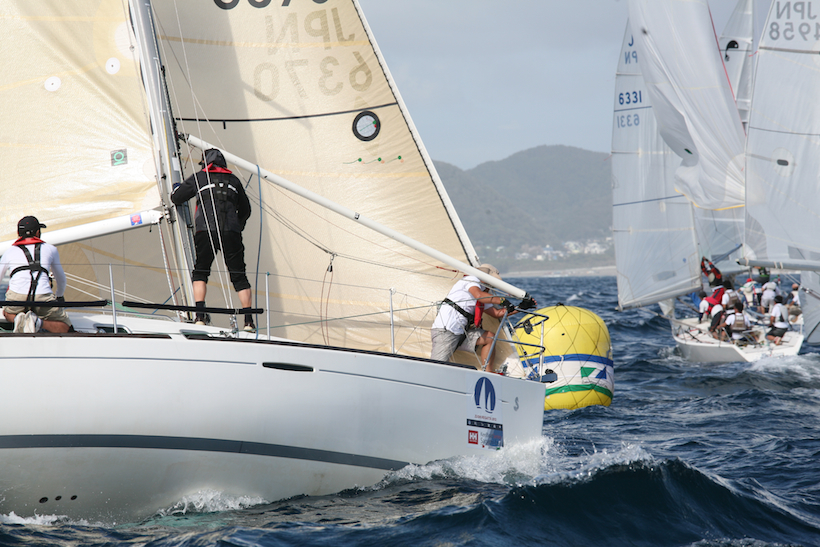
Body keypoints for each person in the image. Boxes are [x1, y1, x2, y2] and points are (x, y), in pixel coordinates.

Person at [171, 149, 254, 330]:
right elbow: (246, 210)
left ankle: (200, 316)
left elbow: (176, 198)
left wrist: (176, 187)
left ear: (205, 163)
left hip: (205, 230)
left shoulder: (200, 177)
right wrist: (237, 226)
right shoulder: (234, 180)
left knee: (200, 272)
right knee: (239, 276)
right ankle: (249, 321)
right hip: (231, 231)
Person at [430, 264, 535, 372]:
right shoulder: (471, 280)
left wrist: (521, 307)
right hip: (447, 330)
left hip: (461, 333)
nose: (492, 286)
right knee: (436, 367)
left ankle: (488, 372)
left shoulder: (483, 294)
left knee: (489, 338)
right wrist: (501, 300)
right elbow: (479, 295)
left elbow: (496, 313)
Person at [0, 216, 71, 333]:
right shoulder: (51, 249)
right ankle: (38, 322)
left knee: (7, 313)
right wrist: (59, 296)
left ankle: (18, 319)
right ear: (38, 232)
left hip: (17, 297)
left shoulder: (9, 252)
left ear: (18, 233)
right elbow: (61, 279)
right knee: (65, 326)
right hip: (42, 297)